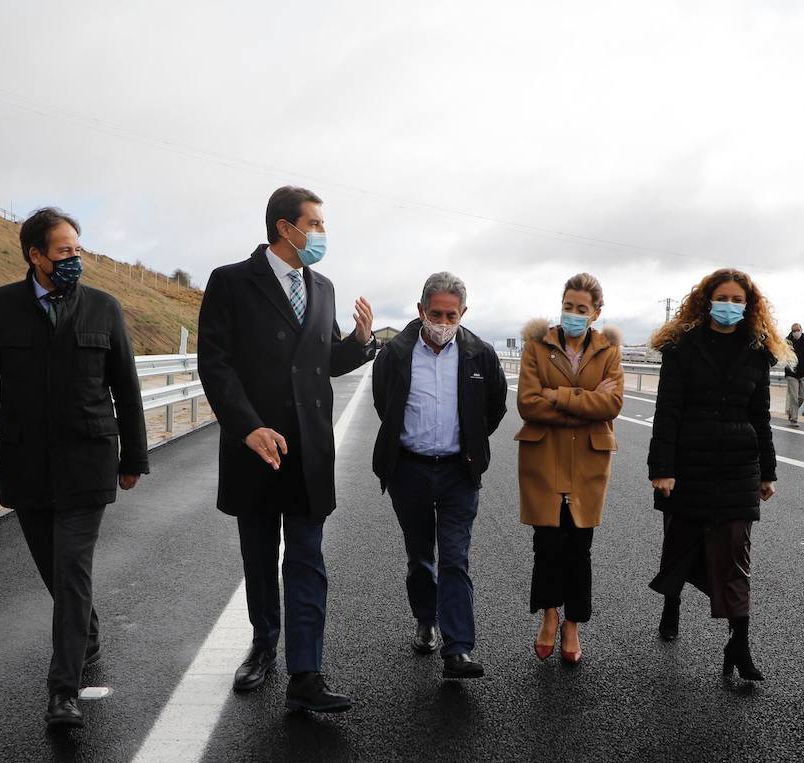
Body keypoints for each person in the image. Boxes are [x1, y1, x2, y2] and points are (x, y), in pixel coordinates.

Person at [0, 207, 148, 729]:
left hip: (88, 460)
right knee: (55, 572)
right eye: (64, 252)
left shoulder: (104, 309)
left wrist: (134, 458)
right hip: (26, 464)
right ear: (35, 255)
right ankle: (85, 633)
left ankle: (63, 691)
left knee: (70, 570)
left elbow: (126, 390)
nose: (74, 260)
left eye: (78, 250)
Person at [197, 186, 377, 713]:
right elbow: (216, 363)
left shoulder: (323, 287)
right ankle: (263, 646)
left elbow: (323, 361)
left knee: (307, 559)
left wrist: (361, 342)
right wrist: (247, 426)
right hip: (255, 445)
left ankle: (307, 671)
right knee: (258, 556)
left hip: (309, 448)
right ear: (285, 228)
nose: (321, 234)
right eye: (315, 224)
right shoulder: (231, 282)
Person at [646, 268, 791, 680]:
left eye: (736, 299)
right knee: (681, 545)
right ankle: (671, 602)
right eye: (722, 297)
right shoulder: (682, 348)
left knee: (735, 558)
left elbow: (760, 416)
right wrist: (663, 469)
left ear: (748, 306)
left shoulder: (756, 351)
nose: (729, 305)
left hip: (738, 467)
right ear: (707, 300)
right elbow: (667, 412)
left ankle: (739, 645)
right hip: (688, 465)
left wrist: (768, 471)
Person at [371, 272, 508, 679]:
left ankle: (459, 648)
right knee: (420, 559)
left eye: (452, 315)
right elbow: (385, 405)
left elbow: (494, 409)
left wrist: (468, 446)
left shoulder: (479, 354)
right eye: (436, 314)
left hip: (457, 474)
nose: (443, 322)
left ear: (463, 313)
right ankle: (426, 620)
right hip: (409, 471)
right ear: (420, 311)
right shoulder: (395, 353)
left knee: (455, 559)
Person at [515, 273, 624, 664]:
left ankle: (572, 625)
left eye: (581, 308)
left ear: (596, 312)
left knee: (579, 547)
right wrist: (586, 401)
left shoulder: (608, 350)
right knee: (546, 544)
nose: (573, 314)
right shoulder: (536, 345)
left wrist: (556, 396)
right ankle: (548, 616)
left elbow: (612, 406)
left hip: (588, 463)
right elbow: (528, 404)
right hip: (543, 459)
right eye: (567, 306)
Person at [783, 323, 804, 427]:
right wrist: (787, 368)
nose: (796, 333)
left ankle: (791, 411)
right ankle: (794, 419)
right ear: (792, 332)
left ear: (801, 330)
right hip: (791, 374)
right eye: (794, 331)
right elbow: (783, 355)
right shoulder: (787, 341)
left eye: (798, 330)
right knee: (794, 397)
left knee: (802, 396)